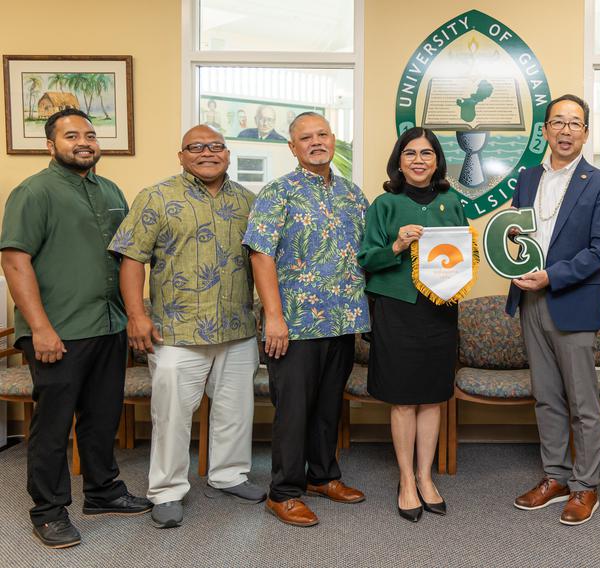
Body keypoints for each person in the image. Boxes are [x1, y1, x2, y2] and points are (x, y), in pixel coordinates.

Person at [0, 109, 152, 549]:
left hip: (107, 325)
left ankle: (103, 492)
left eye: (89, 134)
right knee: (53, 425)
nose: (83, 141)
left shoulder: (110, 190)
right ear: (51, 145)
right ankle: (48, 513)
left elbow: (126, 256)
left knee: (102, 417)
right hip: (59, 331)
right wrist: (41, 328)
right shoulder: (34, 192)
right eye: (71, 136)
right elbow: (14, 260)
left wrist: (132, 315)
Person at [109, 125, 264, 529]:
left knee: (235, 410)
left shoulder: (250, 201)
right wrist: (137, 315)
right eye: (196, 147)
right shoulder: (156, 197)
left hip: (237, 328)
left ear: (228, 154)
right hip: (175, 332)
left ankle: (229, 475)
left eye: (215, 146)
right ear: (181, 156)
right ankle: (167, 490)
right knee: (172, 415)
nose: (207, 153)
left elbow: (264, 261)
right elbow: (130, 258)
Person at [244, 111, 370, 527]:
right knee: (293, 410)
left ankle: (323, 476)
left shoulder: (353, 194)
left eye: (322, 135)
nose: (315, 142)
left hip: (342, 320)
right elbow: (260, 255)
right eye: (305, 137)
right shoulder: (277, 193)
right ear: (292, 147)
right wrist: (274, 318)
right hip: (294, 324)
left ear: (334, 140)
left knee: (327, 406)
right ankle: (283, 492)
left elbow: (369, 253)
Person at [506, 94, 600, 526]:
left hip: (570, 298)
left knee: (582, 401)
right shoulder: (527, 178)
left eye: (575, 123)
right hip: (528, 299)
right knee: (547, 398)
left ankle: (585, 485)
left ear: (586, 132)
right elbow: (516, 235)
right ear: (546, 131)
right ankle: (554, 477)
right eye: (558, 122)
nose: (566, 130)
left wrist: (552, 276)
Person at [357, 127, 469, 523]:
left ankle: (426, 477)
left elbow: (463, 253)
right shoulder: (384, 204)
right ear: (399, 161)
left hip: (440, 308)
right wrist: (397, 247)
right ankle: (406, 479)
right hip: (397, 309)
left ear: (437, 160)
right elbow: (367, 259)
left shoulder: (452, 201)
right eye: (410, 153)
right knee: (404, 398)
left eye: (426, 153)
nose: (418, 160)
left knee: (433, 396)